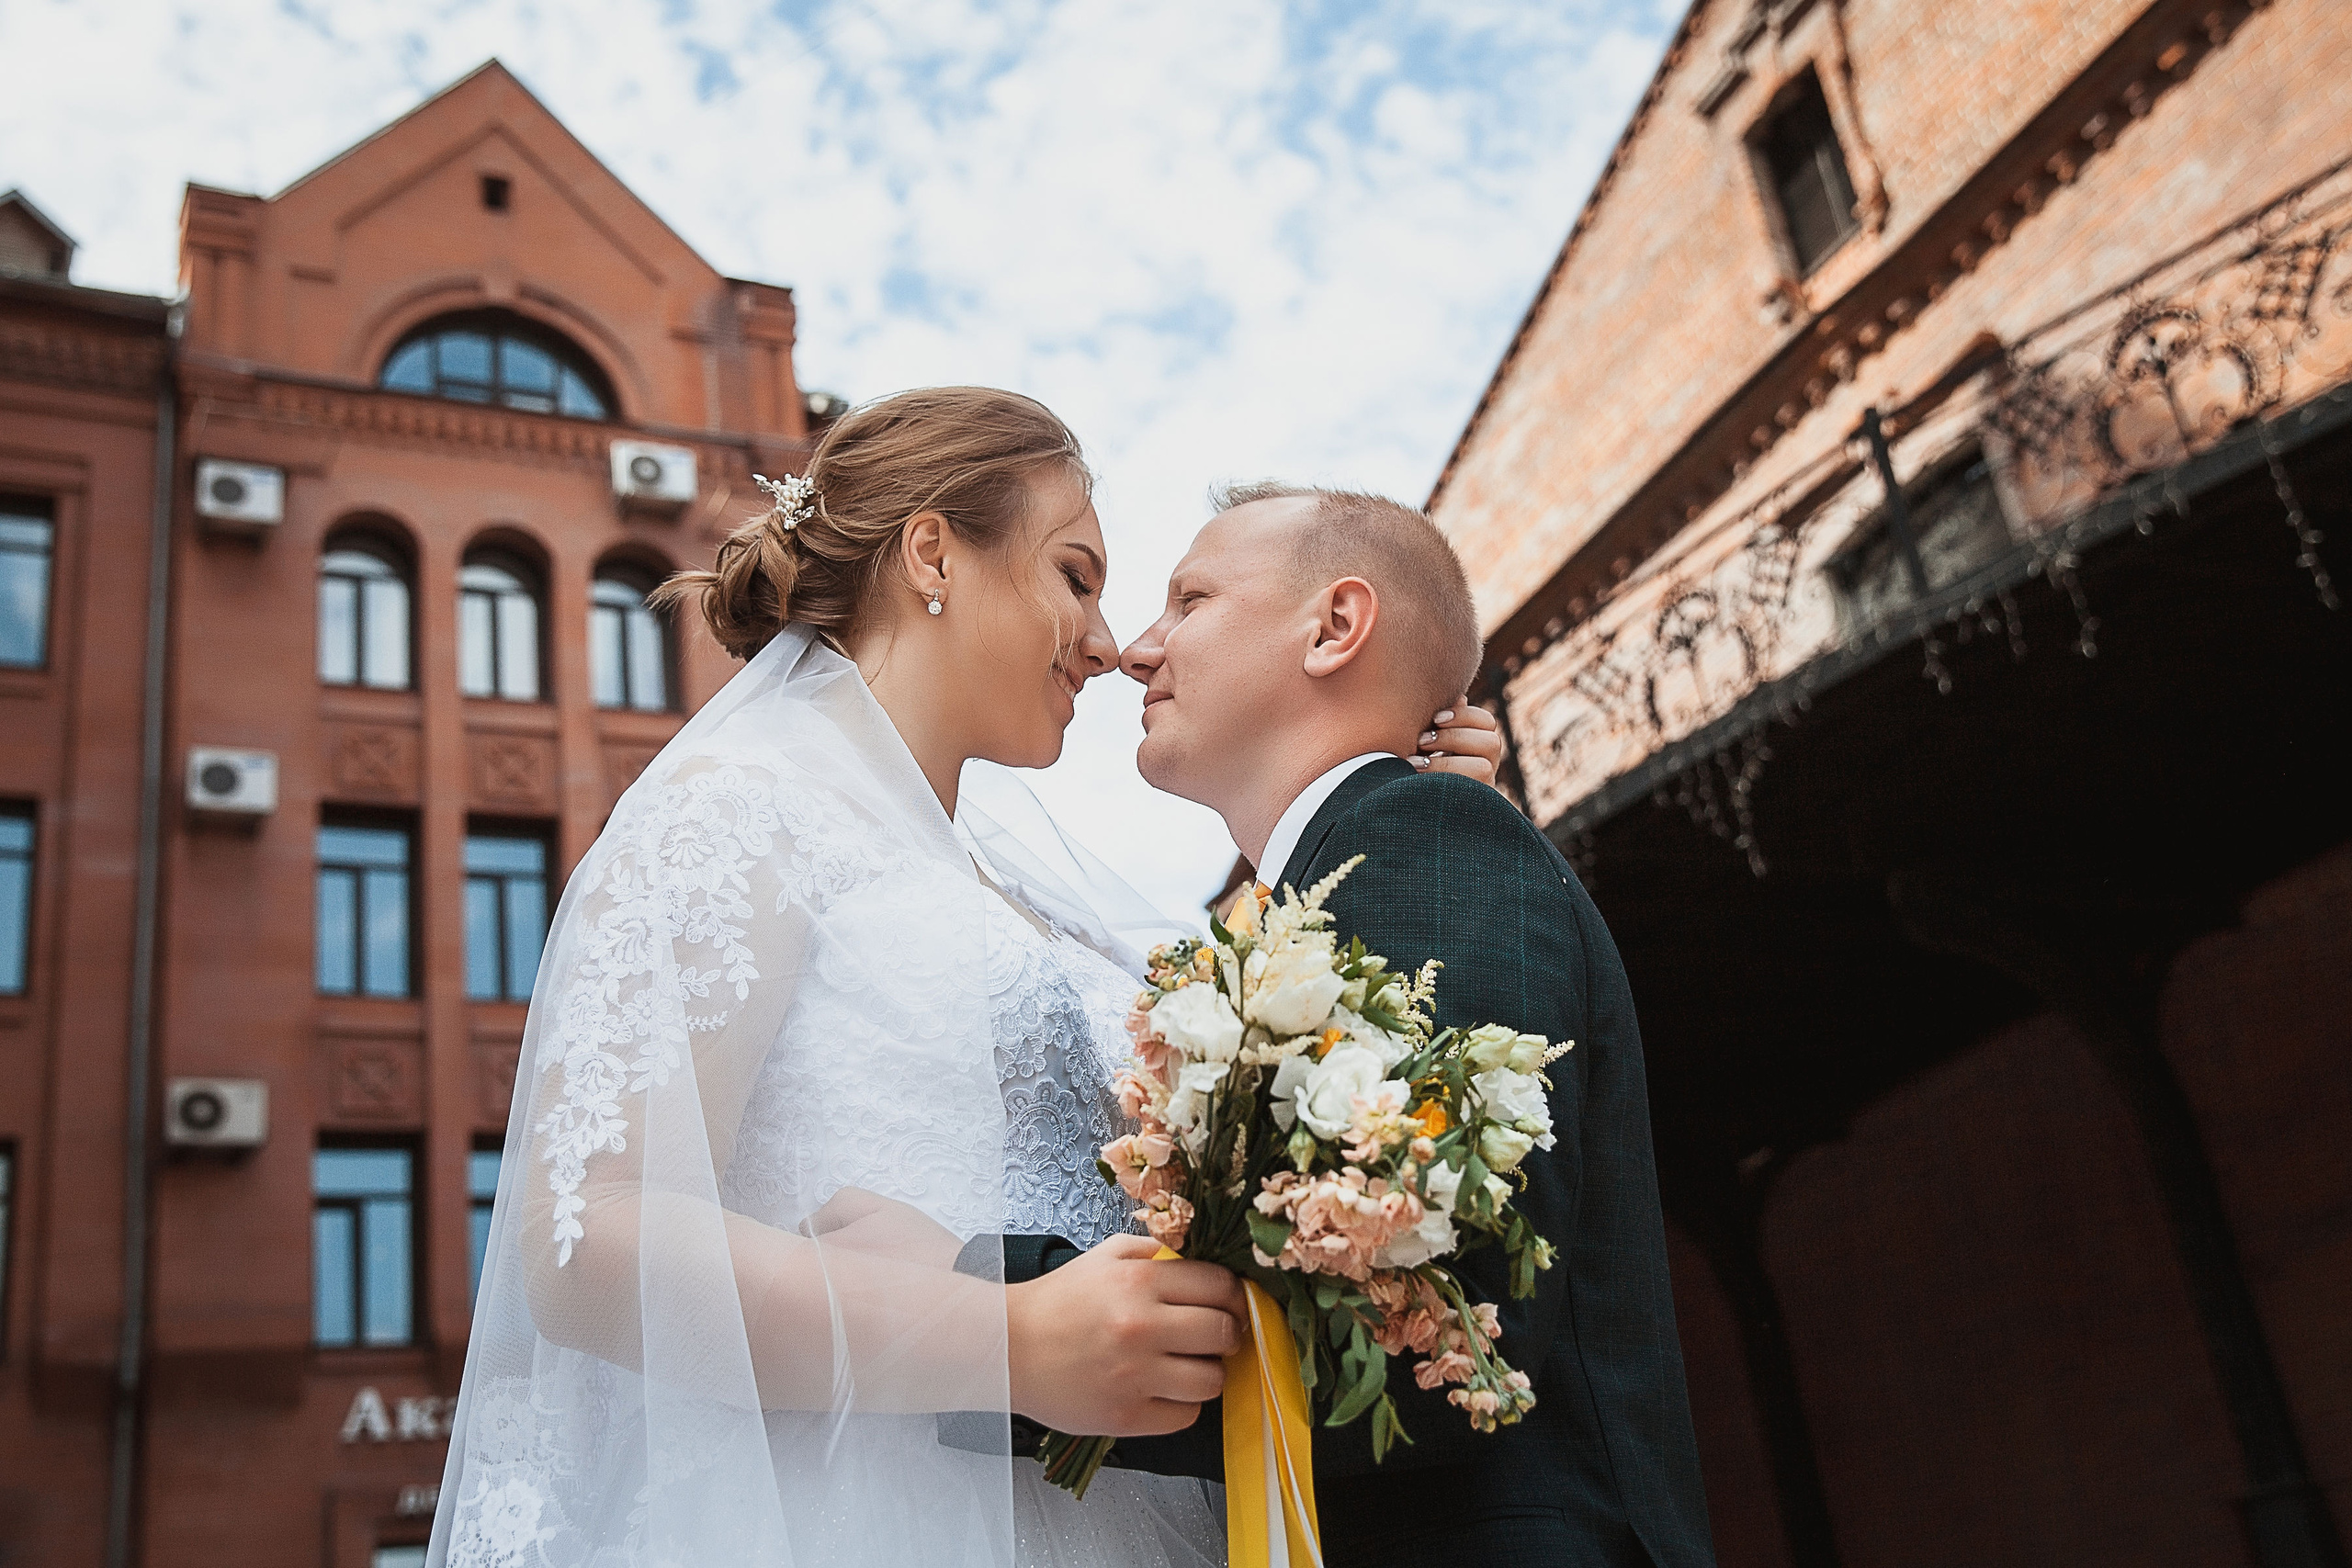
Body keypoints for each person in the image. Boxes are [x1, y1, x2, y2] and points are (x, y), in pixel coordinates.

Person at [426, 389, 1502, 1568]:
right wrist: (1004, 1338)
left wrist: (1392, 782)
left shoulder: (1011, 889)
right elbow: (585, 1237)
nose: (1107, 641)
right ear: (934, 551)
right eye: (1075, 576)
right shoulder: (735, 811)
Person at [1074, 483, 1717, 1568]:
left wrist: (964, 1333)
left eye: (1188, 600)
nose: (1139, 650)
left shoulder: (1426, 834)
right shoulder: (1341, 878)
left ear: (1334, 628)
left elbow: (1434, 1321)